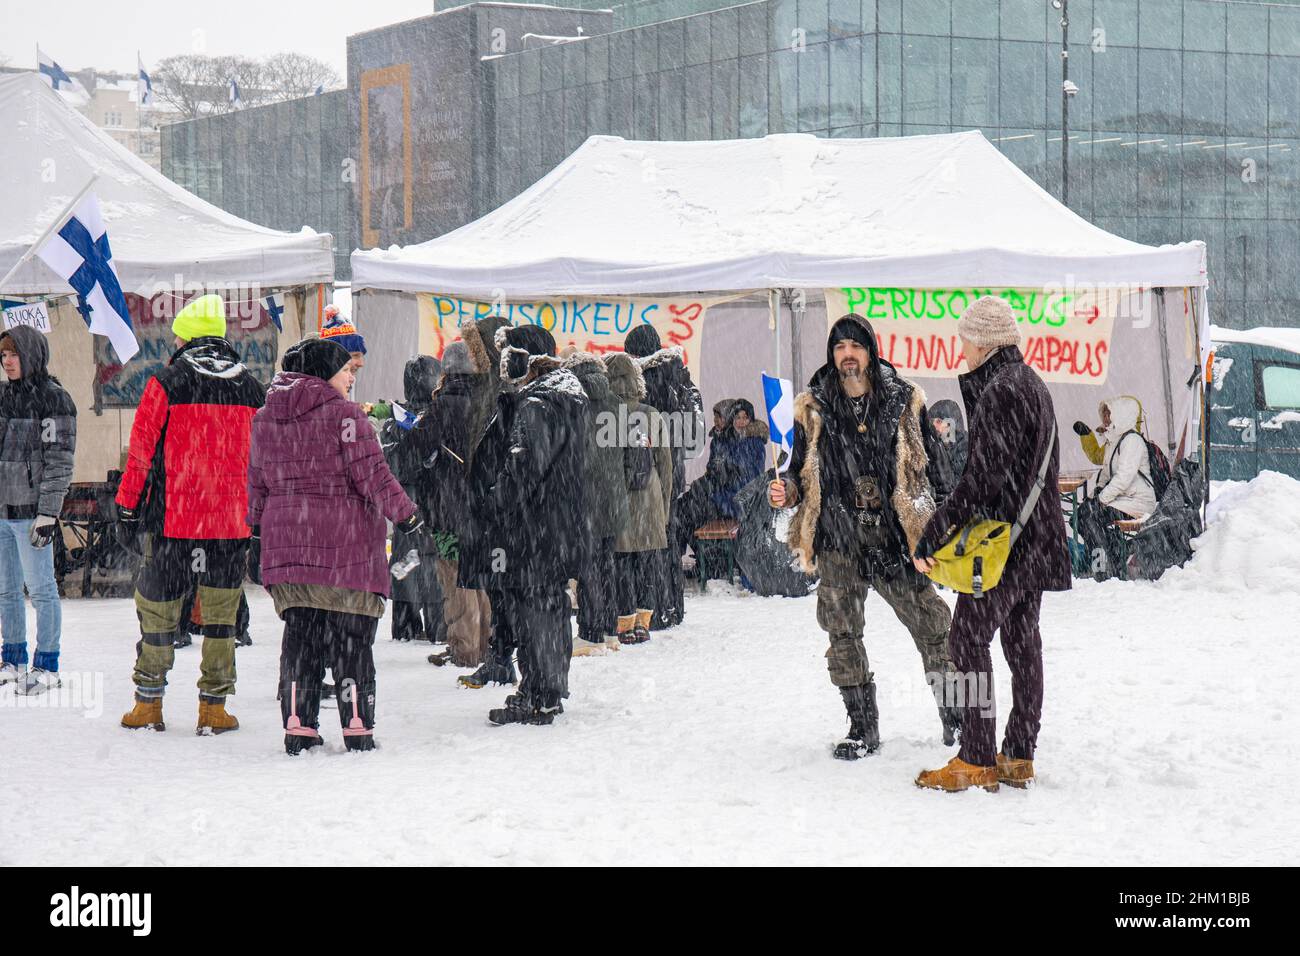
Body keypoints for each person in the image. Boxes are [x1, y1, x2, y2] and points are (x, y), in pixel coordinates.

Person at [768, 313, 959, 760]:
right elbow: (799, 471)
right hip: (839, 538)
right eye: (839, 348)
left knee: (933, 629)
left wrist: (936, 532)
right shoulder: (814, 409)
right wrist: (787, 491)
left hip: (894, 539)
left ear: (871, 351)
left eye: (855, 346)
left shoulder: (904, 401)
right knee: (841, 633)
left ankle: (959, 717)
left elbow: (933, 469)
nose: (847, 355)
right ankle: (862, 727)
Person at [913, 296, 1071, 792]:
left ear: (982, 342)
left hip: (1007, 546)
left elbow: (981, 481)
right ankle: (1019, 754)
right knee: (1023, 644)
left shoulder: (1001, 391)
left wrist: (934, 532)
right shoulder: (1033, 384)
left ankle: (977, 756)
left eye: (964, 340)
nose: (960, 350)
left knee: (966, 639)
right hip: (1038, 538)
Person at [248, 338, 420, 755]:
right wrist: (407, 515)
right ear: (325, 372)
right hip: (346, 552)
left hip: (289, 551)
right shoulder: (346, 417)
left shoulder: (265, 418)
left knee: (301, 639)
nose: (350, 377)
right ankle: (357, 725)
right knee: (351, 643)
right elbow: (373, 475)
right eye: (346, 370)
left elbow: (256, 482)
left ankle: (298, 723)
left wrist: (254, 531)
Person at [117, 294, 265, 733]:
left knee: (158, 612)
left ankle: (148, 704)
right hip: (229, 524)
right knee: (221, 617)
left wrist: (127, 507)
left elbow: (141, 454)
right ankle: (213, 708)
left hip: (173, 519)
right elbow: (262, 462)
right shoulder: (253, 388)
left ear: (186, 337)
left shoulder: (166, 382)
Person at [459, 324, 588, 725]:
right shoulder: (570, 396)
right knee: (547, 606)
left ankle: (540, 694)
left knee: (536, 609)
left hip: (535, 527)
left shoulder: (539, 403)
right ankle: (543, 688)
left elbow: (524, 466)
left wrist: (492, 501)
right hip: (559, 524)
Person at [0, 327, 77, 695]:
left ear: (31, 353)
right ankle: (12, 658)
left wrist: (49, 512)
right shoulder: (2, 397)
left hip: (32, 513)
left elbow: (59, 460)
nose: (8, 361)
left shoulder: (54, 399)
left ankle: (47, 664)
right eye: (3, 355)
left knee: (42, 590)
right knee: (6, 590)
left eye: (13, 353)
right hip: (2, 511)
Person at [408, 341, 493, 669]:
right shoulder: (488, 403)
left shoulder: (442, 407)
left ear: (446, 371)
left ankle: (463, 647)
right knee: (479, 576)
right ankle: (484, 642)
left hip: (448, 507)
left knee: (454, 577)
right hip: (482, 507)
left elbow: (414, 452)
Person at [624, 324, 703, 630]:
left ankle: (653, 610)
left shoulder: (644, 381)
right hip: (675, 469)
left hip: (649, 469)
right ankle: (672, 606)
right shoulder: (683, 380)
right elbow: (695, 435)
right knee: (669, 538)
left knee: (649, 543)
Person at [455, 316, 517, 689]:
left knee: (502, 586)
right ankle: (500, 657)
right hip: (483, 501)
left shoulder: (500, 389)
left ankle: (502, 658)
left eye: (476, 346)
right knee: (495, 585)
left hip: (495, 504)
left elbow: (499, 447)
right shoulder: (486, 386)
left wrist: (492, 496)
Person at [564, 349, 630, 654]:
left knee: (588, 567)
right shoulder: (617, 405)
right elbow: (628, 455)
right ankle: (608, 631)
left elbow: (573, 456)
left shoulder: (576, 405)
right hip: (613, 498)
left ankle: (590, 632)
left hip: (586, 498)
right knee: (606, 565)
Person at [604, 352, 672, 645]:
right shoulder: (651, 413)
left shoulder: (605, 415)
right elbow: (665, 463)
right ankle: (644, 623)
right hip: (650, 495)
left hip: (620, 498)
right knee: (648, 563)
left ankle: (624, 623)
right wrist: (664, 506)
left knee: (623, 565)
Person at [381, 355, 445, 643]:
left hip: (404, 505)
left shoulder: (395, 421)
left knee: (405, 561)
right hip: (433, 505)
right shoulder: (438, 418)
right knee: (432, 565)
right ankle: (437, 627)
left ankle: (405, 626)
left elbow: (389, 465)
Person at [1075, 396, 1158, 580]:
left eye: (1109, 413)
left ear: (1120, 415)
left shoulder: (1132, 441)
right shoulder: (1113, 441)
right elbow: (1105, 474)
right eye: (1104, 413)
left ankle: (1104, 568)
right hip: (1122, 499)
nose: (1105, 417)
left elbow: (1124, 477)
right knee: (1082, 514)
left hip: (1138, 501)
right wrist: (1095, 493)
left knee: (1091, 515)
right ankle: (1106, 558)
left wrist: (1101, 499)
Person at [675, 397, 767, 545]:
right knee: (681, 509)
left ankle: (702, 555)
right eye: (738, 417)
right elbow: (714, 470)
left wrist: (719, 480)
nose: (741, 422)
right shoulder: (727, 439)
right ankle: (694, 554)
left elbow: (747, 479)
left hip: (736, 501)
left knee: (691, 513)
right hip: (722, 496)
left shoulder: (753, 442)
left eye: (745, 418)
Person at [929, 399, 969, 479]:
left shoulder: (966, 445)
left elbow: (954, 482)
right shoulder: (935, 443)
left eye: (939, 421)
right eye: (932, 421)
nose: (934, 426)